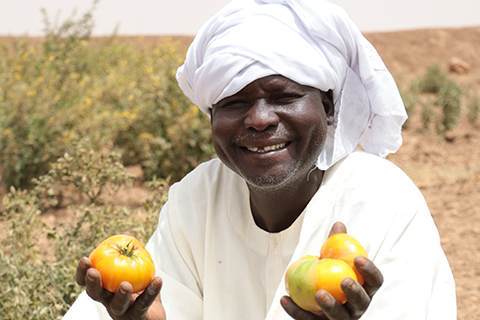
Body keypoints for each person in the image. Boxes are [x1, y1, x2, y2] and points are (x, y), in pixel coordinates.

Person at [63, 0, 457, 319]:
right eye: (234, 102)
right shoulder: (197, 198)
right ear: (212, 117)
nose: (259, 119)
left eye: (284, 97)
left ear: (329, 107)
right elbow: (166, 309)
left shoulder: (381, 200)